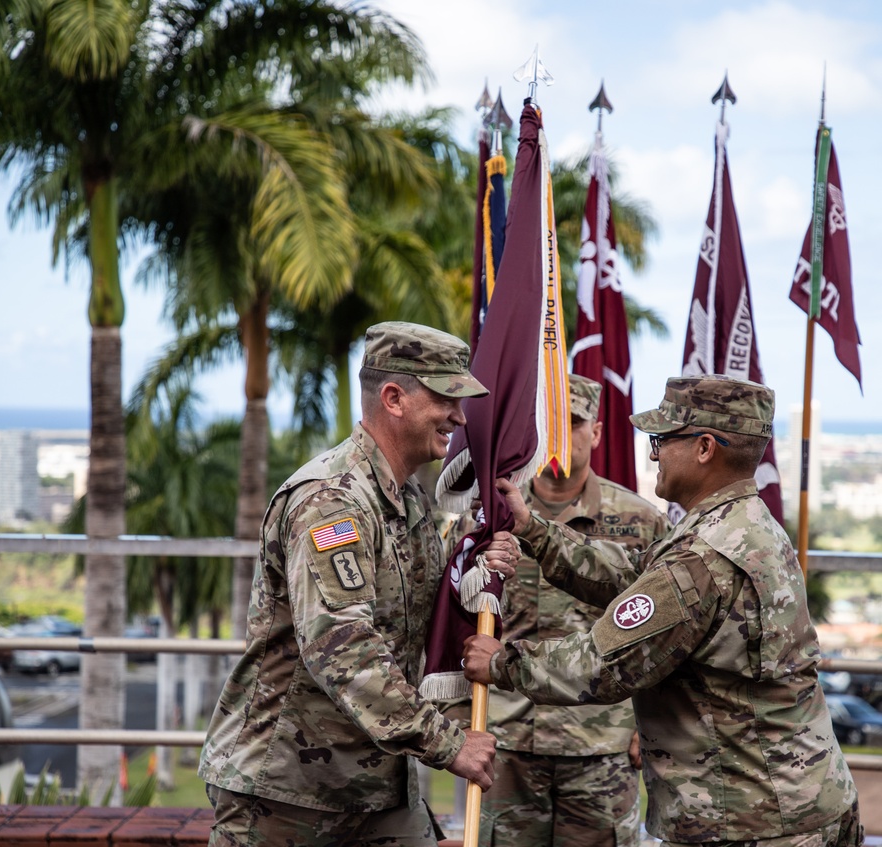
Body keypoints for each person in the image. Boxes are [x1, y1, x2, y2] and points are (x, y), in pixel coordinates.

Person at [465, 374, 862, 847]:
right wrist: (536, 531)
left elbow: (602, 663)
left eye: (661, 440)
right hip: (789, 802)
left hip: (750, 819)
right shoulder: (742, 524)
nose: (653, 454)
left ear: (704, 448)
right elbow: (637, 576)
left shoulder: (705, 556)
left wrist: (500, 663)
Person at [199, 321, 519, 847]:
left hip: (374, 785)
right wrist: (447, 743)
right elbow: (341, 647)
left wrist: (476, 554)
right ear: (394, 398)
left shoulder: (406, 498)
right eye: (445, 399)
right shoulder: (332, 498)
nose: (459, 417)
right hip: (288, 791)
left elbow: (420, 603)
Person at [470, 374, 670, 847]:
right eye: (548, 424)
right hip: (508, 740)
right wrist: (462, 720)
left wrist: (652, 728)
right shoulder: (488, 516)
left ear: (596, 433)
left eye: (573, 423)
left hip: (601, 744)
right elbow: (456, 623)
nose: (560, 437)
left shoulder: (642, 521)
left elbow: (665, 634)